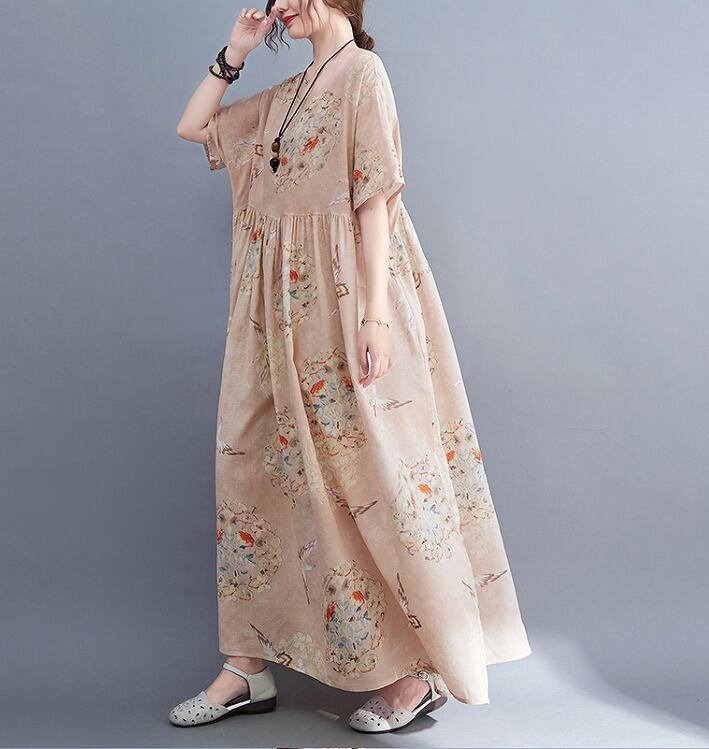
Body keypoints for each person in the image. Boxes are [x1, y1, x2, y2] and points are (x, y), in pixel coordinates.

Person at [171, 0, 531, 734]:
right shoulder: (288, 91)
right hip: (271, 310)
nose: (279, 7)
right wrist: (236, 50)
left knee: (367, 473)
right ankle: (246, 665)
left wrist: (374, 316)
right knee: (255, 470)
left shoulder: (363, 73)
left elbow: (374, 199)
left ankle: (415, 673)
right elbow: (194, 127)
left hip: (343, 299)